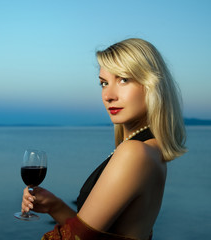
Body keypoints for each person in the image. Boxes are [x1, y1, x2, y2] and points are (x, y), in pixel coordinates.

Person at [20, 38, 187, 240]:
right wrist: (56, 206)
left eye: (124, 79)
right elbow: (98, 234)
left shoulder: (134, 152)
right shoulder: (149, 149)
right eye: (104, 83)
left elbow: (76, 238)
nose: (108, 95)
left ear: (152, 84)